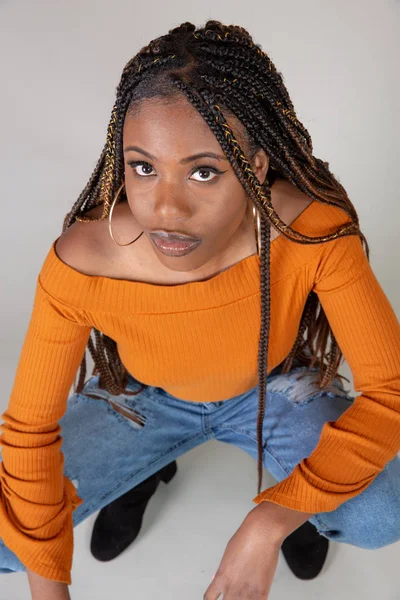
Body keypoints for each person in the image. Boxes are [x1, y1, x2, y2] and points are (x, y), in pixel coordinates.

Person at [1, 19, 400, 600]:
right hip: (143, 400)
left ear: (257, 168)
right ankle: (145, 471)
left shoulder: (310, 232)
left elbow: (390, 390)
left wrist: (274, 519)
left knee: (379, 513)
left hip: (271, 390)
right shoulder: (83, 261)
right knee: (9, 539)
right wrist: (49, 594)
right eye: (143, 167)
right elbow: (29, 430)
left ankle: (294, 501)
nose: (166, 208)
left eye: (204, 171)